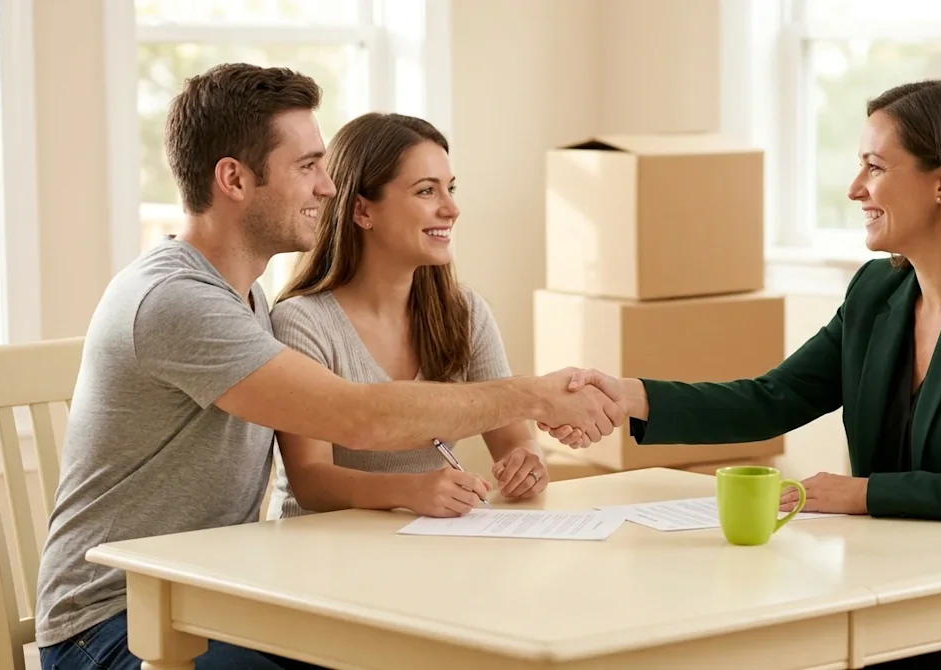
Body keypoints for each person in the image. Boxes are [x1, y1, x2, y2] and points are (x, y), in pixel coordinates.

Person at [35, 63, 622, 670]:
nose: (328, 187)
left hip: (205, 598)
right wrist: (534, 395)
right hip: (115, 624)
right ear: (234, 179)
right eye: (307, 166)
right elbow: (358, 416)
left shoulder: (244, 297)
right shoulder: (178, 301)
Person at [540, 79, 941, 670]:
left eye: (874, 167)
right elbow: (775, 399)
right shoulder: (878, 293)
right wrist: (631, 396)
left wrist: (862, 494)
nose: (854, 189)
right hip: (902, 591)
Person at [266, 112, 549, 519]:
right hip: (319, 550)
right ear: (362, 211)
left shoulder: (466, 314)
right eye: (426, 192)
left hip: (419, 548)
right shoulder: (302, 323)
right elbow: (310, 480)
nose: (451, 208)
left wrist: (527, 464)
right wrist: (411, 490)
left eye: (450, 189)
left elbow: (514, 439)